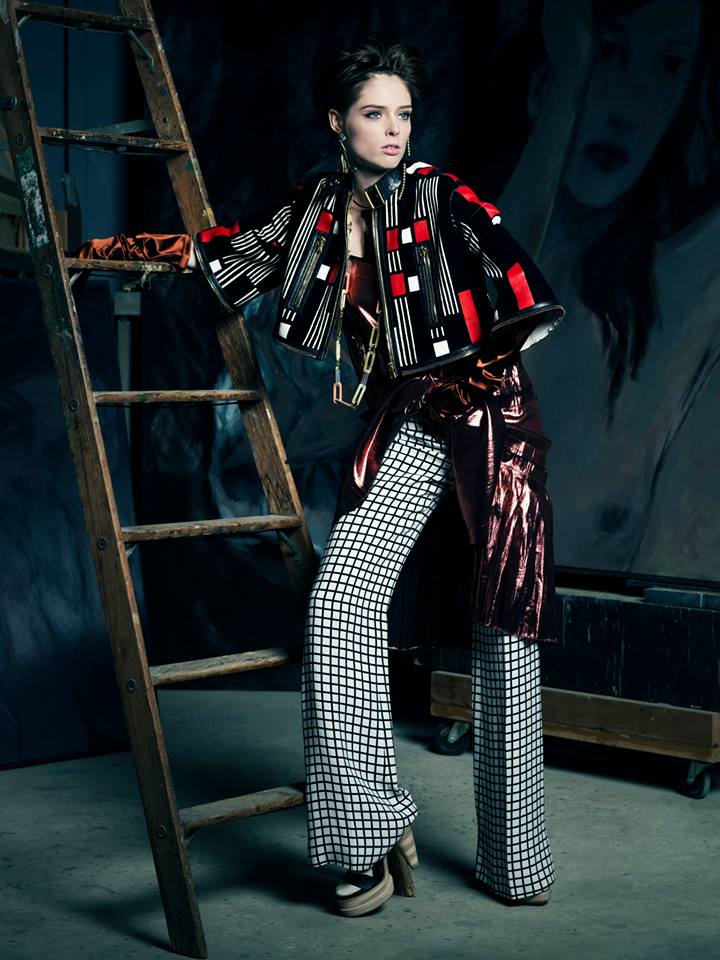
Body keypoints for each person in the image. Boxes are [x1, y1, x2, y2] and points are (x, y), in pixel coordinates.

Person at [78, 39, 566, 918]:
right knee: (342, 598)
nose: (393, 130)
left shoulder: (443, 196)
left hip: (491, 422)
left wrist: (468, 378)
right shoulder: (315, 208)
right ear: (336, 122)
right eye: (374, 113)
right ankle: (359, 839)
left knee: (504, 631)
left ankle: (516, 861)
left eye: (403, 114)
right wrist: (123, 250)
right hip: (410, 421)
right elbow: (234, 254)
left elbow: (528, 297)